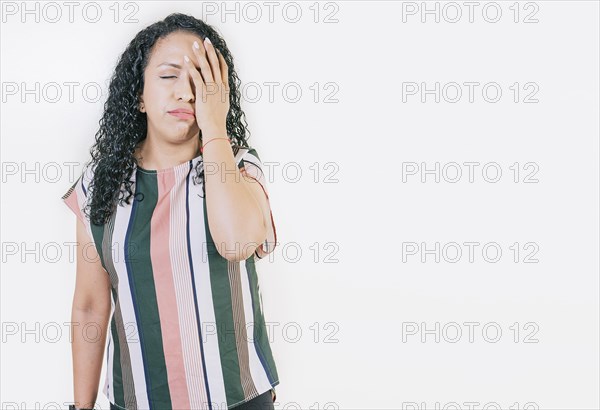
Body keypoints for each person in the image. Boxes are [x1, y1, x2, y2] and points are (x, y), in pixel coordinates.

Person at [62, 13, 279, 410]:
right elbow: (90, 306)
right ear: (139, 95)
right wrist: (81, 407)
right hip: (139, 400)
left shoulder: (239, 166)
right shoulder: (101, 184)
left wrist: (214, 128)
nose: (186, 93)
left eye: (201, 80)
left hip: (238, 399)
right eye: (169, 76)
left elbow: (236, 242)